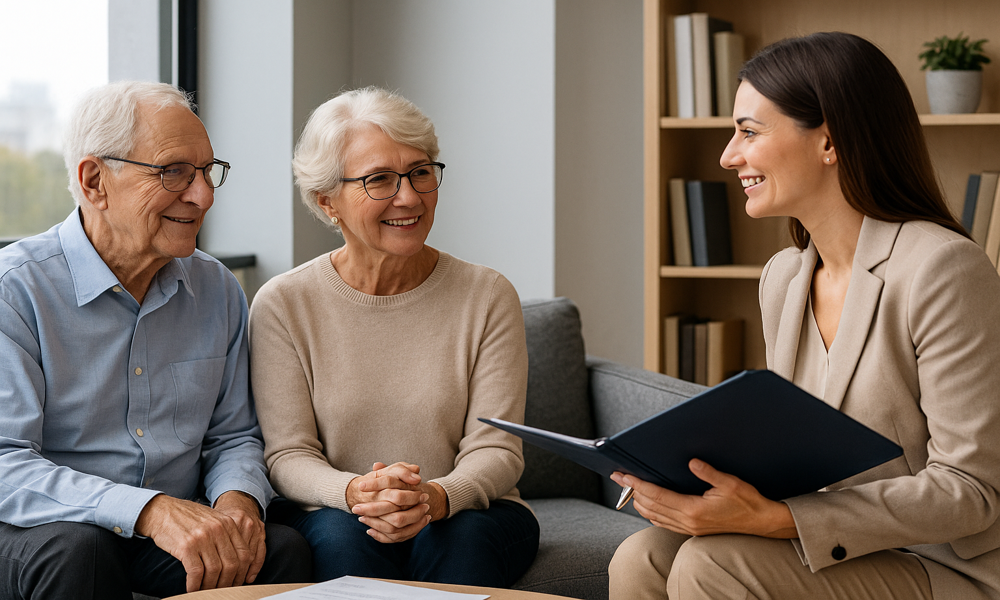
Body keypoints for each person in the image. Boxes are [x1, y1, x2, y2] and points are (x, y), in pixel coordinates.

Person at [609, 31, 1000, 599]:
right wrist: (694, 485)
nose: (728, 155)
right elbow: (795, 453)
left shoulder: (942, 269)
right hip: (838, 546)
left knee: (713, 564)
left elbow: (972, 489)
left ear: (830, 142)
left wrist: (775, 519)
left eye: (748, 131)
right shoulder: (784, 278)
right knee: (641, 557)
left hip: (947, 567)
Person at [0, 81, 311, 600]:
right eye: (174, 173)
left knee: (278, 551)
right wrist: (147, 510)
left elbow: (233, 436)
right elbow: (5, 461)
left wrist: (238, 505)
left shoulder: (217, 290)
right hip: (43, 525)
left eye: (208, 172)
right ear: (95, 180)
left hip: (167, 530)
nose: (203, 195)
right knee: (83, 553)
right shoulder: (15, 291)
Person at [249, 86, 540, 587]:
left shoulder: (488, 295)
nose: (408, 196)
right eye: (379, 179)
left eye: (420, 172)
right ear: (327, 201)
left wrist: (436, 498)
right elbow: (287, 455)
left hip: (466, 512)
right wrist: (359, 492)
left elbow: (498, 451)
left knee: (458, 538)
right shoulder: (283, 303)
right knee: (342, 540)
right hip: (334, 510)